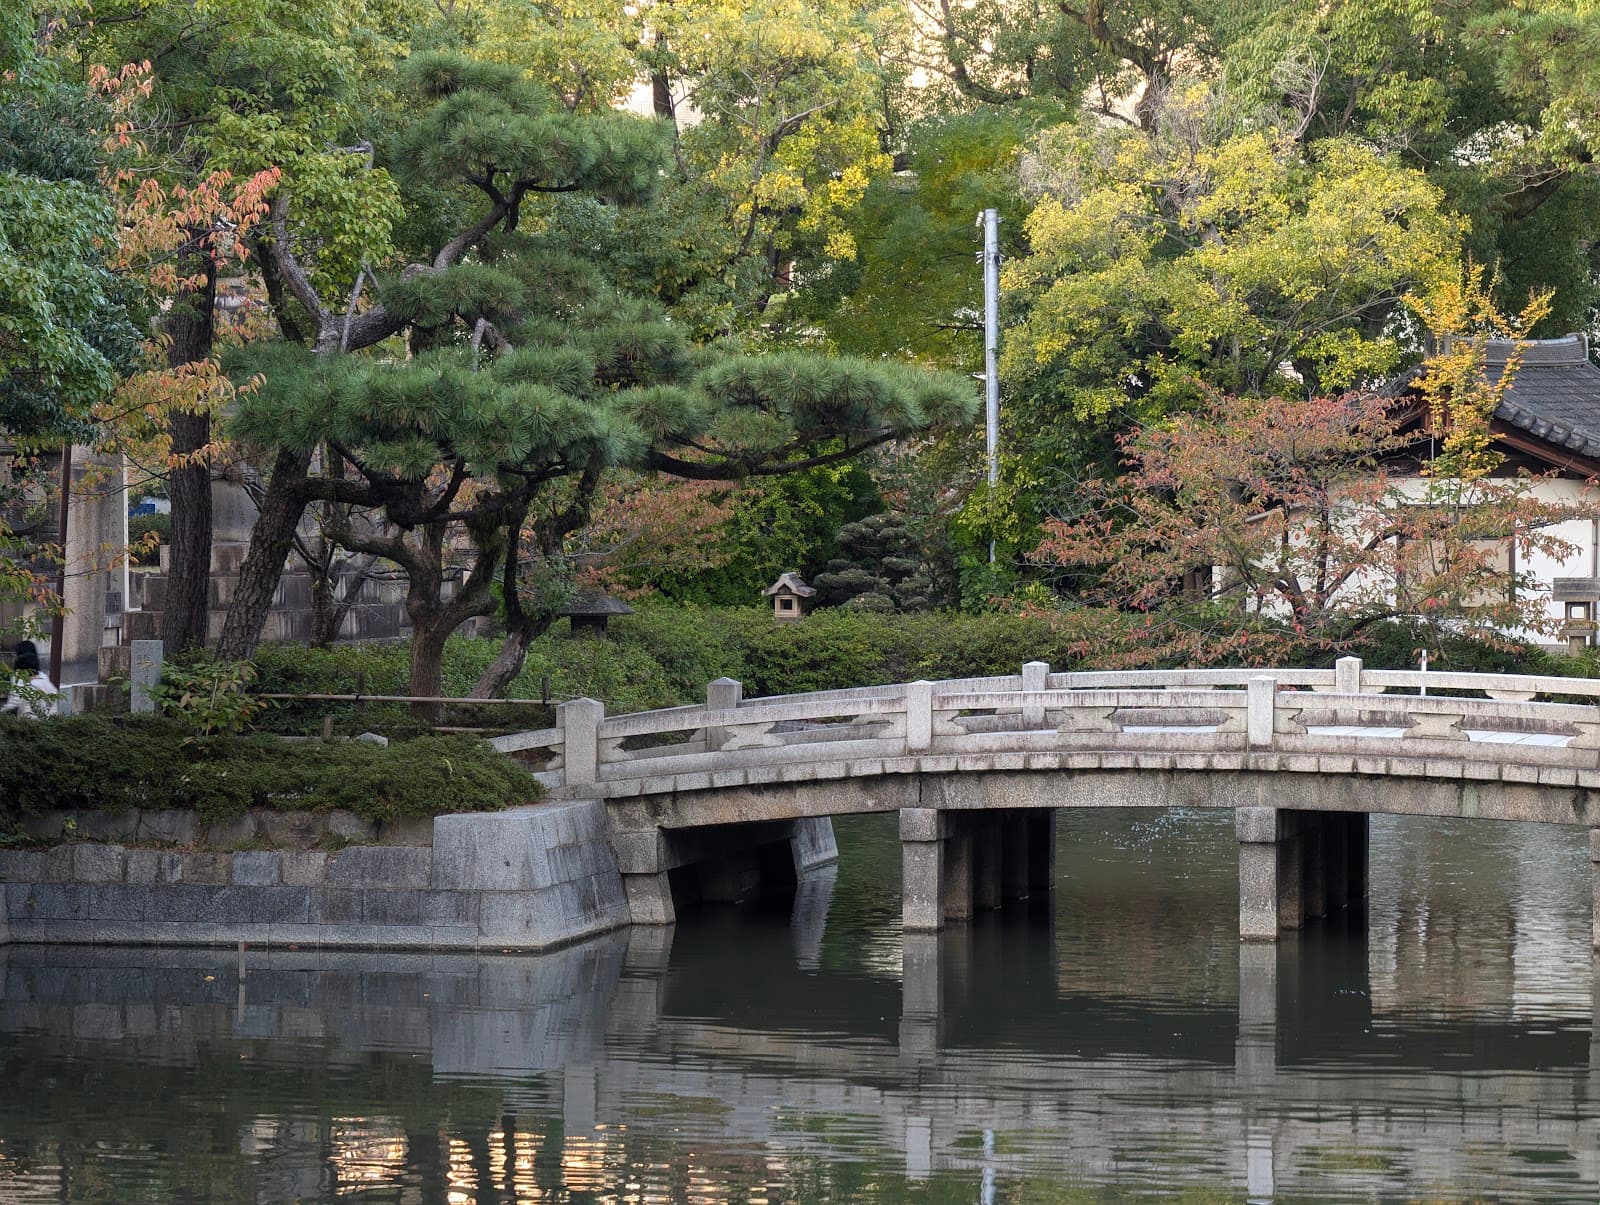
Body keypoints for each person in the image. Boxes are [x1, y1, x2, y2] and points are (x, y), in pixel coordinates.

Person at [2, 640, 59, 719]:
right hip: (50, 722)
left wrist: (3, 713)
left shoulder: (19, 678)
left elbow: (14, 703)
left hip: (29, 723)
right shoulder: (43, 677)